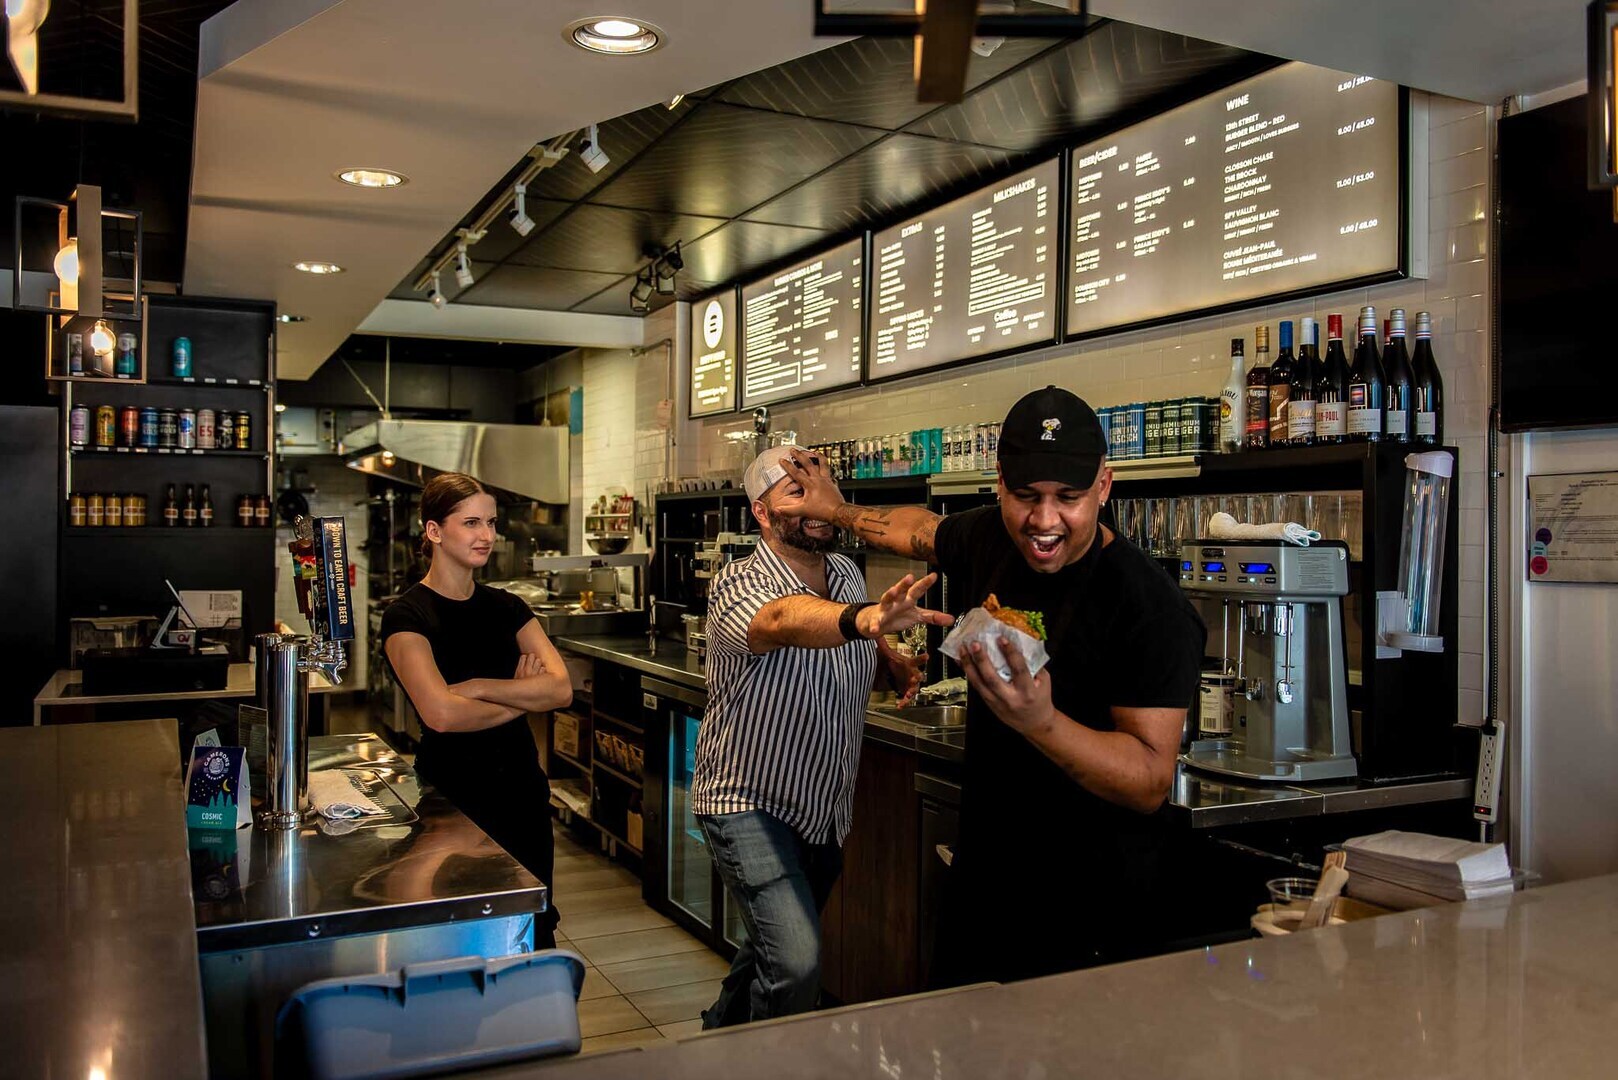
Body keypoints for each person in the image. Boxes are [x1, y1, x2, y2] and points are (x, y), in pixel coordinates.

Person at [777, 386, 1205, 982]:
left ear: (1104, 487)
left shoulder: (1149, 608)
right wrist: (836, 511)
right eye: (1026, 497)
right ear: (999, 482)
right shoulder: (989, 540)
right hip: (984, 890)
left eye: (1070, 498)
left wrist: (1041, 723)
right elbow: (919, 529)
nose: (1045, 521)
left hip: (1094, 916)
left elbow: (1150, 780)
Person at [694, 446, 953, 1028]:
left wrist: (889, 661)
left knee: (775, 950)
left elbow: (854, 638)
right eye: (796, 492)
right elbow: (785, 621)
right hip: (749, 802)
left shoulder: (844, 573)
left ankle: (716, 1042)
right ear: (761, 513)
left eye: (822, 489)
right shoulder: (739, 582)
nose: (816, 504)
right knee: (798, 961)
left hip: (824, 807)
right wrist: (865, 621)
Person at [381, 473, 572, 948]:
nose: (486, 535)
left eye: (490, 522)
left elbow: (561, 689)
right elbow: (441, 715)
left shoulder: (508, 608)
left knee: (530, 925)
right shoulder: (408, 615)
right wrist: (518, 696)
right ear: (434, 531)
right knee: (459, 930)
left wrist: (482, 687)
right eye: (470, 523)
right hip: (454, 798)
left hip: (522, 793)